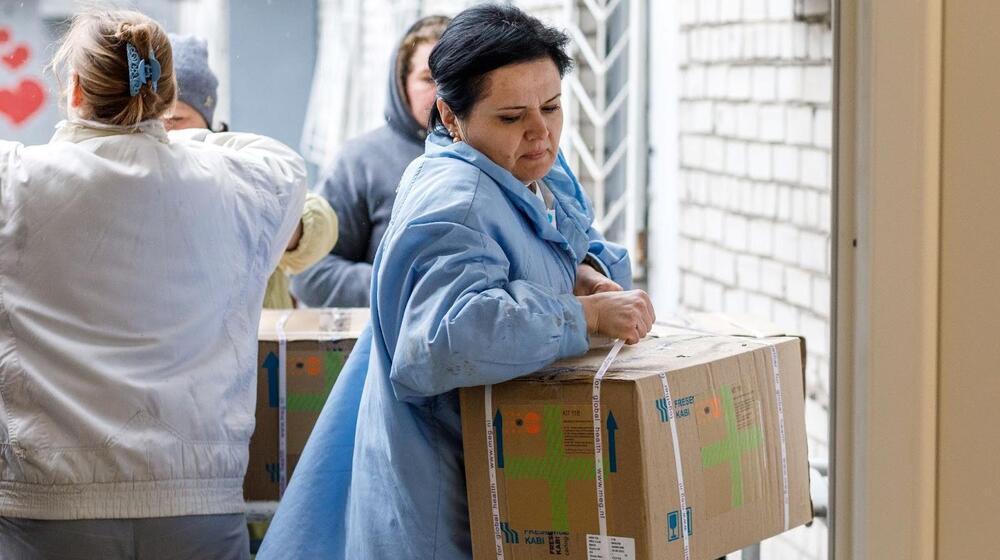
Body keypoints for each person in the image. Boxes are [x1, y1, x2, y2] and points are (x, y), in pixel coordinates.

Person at [258, 5, 655, 559]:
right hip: (446, 504)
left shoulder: (530, 168)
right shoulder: (455, 202)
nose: (541, 133)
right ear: (450, 115)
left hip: (508, 485)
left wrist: (585, 274)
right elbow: (446, 338)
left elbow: (567, 240)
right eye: (512, 117)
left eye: (551, 106)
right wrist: (580, 317)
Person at [0, 10, 306, 559]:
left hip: (50, 508)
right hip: (198, 508)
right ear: (168, 96)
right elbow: (275, 159)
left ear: (74, 89)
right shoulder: (237, 184)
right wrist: (156, 136)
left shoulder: (16, 183)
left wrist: (128, 136)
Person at [165, 33, 338, 309]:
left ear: (207, 119)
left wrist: (284, 223)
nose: (166, 131)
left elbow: (322, 223)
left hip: (260, 342)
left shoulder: (241, 164)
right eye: (153, 121)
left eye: (176, 119)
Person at [292, 15, 450, 308]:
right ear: (401, 85)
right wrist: (400, 286)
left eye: (454, 77)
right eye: (428, 78)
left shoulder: (500, 156)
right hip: (388, 345)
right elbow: (310, 272)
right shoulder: (361, 162)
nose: (442, 91)